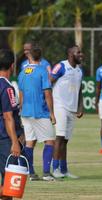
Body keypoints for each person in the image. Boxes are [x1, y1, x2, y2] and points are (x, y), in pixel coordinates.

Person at [18, 46, 56, 181]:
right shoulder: (42, 71)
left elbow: (21, 94)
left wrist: (21, 110)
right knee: (50, 141)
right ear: (40, 57)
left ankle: (31, 173)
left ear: (29, 57)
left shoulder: (22, 73)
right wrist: (52, 113)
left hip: (25, 112)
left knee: (30, 142)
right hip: (39, 111)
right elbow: (47, 93)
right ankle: (46, 173)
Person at [51, 45, 83, 179]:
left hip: (71, 109)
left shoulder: (79, 71)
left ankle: (64, 169)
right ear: (70, 54)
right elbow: (49, 82)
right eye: (78, 52)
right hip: (59, 106)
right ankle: (54, 168)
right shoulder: (61, 66)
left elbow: (80, 89)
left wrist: (80, 107)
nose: (81, 54)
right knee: (59, 137)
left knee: (65, 140)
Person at [0, 49, 23, 200]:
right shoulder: (7, 87)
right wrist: (15, 142)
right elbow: (8, 117)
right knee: (10, 186)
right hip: (4, 139)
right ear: (12, 66)